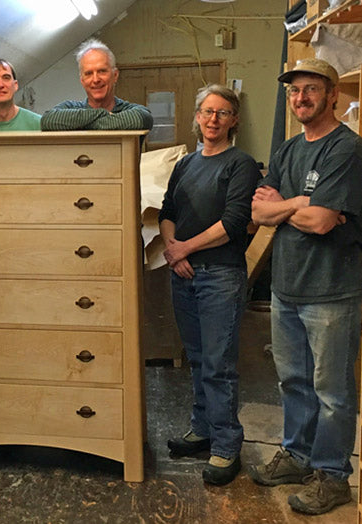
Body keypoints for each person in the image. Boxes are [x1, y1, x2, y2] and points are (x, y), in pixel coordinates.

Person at [250, 58, 362, 516]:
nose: (301, 98)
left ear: (333, 94)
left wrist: (286, 205)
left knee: (332, 391)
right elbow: (259, 212)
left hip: (332, 290)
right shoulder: (288, 149)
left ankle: (333, 475)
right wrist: (299, 202)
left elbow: (320, 222)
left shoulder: (347, 150)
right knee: (294, 380)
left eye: (311, 89)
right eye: (295, 91)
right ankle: (298, 457)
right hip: (287, 287)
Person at [158, 84, 260, 486]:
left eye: (222, 112)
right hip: (183, 275)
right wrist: (173, 249)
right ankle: (201, 430)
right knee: (198, 360)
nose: (213, 119)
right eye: (206, 111)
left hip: (220, 277)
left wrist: (184, 249)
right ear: (197, 117)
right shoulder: (185, 164)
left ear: (233, 120)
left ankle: (225, 446)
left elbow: (234, 222)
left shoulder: (241, 164)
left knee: (218, 366)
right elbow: (167, 210)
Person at [40, 39, 153, 131]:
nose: (95, 79)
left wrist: (77, 123)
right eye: (89, 73)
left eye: (102, 71)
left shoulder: (132, 111)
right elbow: (47, 120)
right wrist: (103, 114)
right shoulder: (70, 107)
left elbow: (141, 118)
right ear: (82, 80)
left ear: (115, 75)